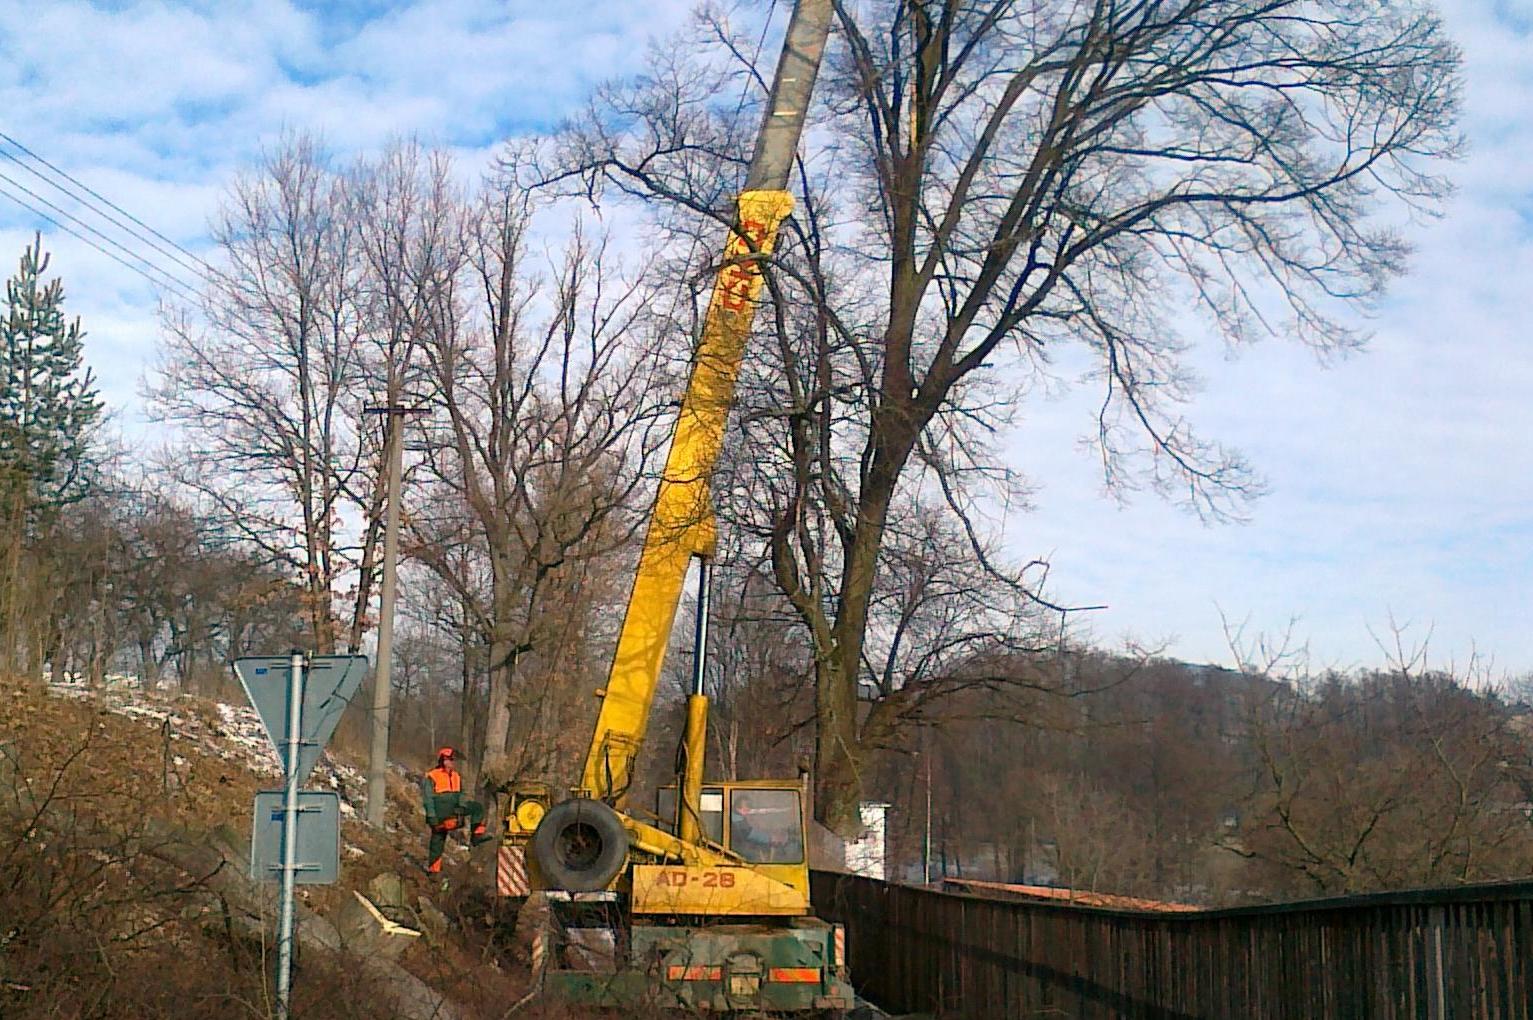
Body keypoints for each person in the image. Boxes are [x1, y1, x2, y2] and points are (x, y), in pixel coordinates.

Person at [421, 746, 490, 873]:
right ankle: (434, 871)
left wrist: (462, 806)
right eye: (450, 760)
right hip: (440, 811)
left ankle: (477, 835)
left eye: (453, 760)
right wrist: (431, 816)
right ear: (443, 760)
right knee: (437, 841)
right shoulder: (432, 776)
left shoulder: (456, 776)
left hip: (455, 809)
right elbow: (428, 798)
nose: (452, 763)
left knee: (477, 808)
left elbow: (461, 793)